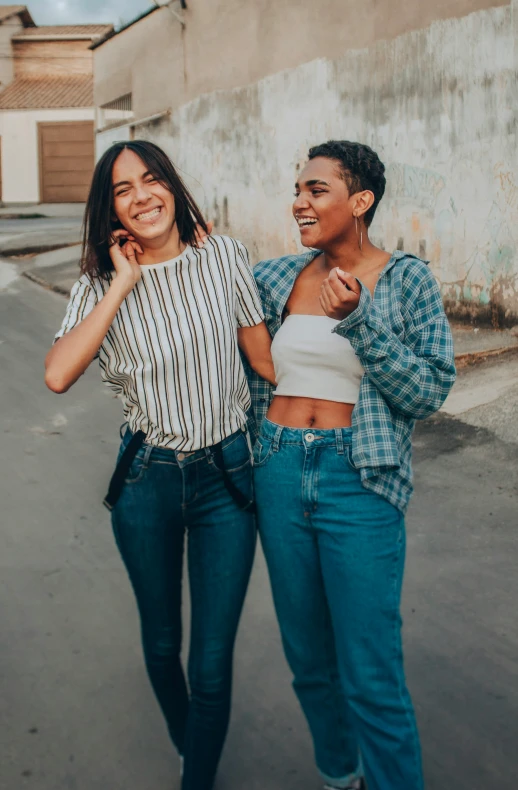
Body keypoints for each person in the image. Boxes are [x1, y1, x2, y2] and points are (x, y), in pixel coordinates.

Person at [45, 140, 275, 790]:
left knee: (210, 665)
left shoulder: (223, 255)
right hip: (147, 479)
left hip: (227, 480)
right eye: (124, 189)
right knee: (159, 645)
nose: (142, 195)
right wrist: (122, 282)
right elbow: (59, 372)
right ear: (110, 207)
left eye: (152, 180)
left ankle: (194, 776)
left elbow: (264, 361)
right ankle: (192, 744)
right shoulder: (98, 283)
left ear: (171, 186)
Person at [246, 140, 456, 790]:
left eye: (316, 190)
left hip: (358, 479)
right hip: (278, 470)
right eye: (298, 189)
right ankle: (341, 776)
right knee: (308, 658)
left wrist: (361, 321)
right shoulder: (276, 277)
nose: (299, 201)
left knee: (369, 669)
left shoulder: (406, 280)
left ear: (360, 200)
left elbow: (427, 391)